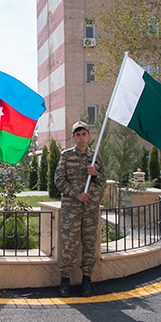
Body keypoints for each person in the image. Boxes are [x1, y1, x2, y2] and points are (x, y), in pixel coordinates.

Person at [54, 121, 106, 297]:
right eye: (78, 135)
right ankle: (65, 281)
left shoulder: (95, 156)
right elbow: (59, 180)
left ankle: (86, 281)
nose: (81, 137)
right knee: (70, 244)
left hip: (90, 209)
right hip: (72, 209)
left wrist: (95, 174)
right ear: (74, 137)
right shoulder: (66, 155)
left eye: (84, 134)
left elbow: (103, 181)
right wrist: (76, 194)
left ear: (88, 136)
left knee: (90, 244)